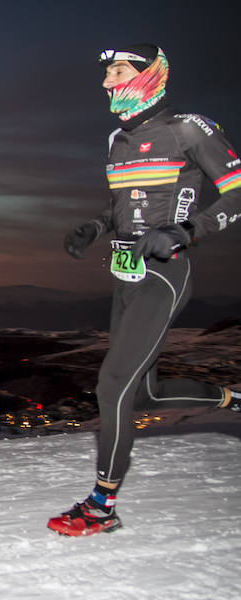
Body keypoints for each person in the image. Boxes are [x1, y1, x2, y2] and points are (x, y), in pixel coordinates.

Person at [49, 44, 241, 537]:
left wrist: (186, 232)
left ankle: (100, 506)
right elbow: (123, 206)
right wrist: (93, 227)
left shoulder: (189, 129)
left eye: (117, 71)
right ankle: (233, 399)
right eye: (107, 73)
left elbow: (238, 192)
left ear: (149, 75)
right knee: (146, 397)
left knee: (111, 385)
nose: (107, 82)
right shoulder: (117, 139)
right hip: (125, 273)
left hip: (165, 272)